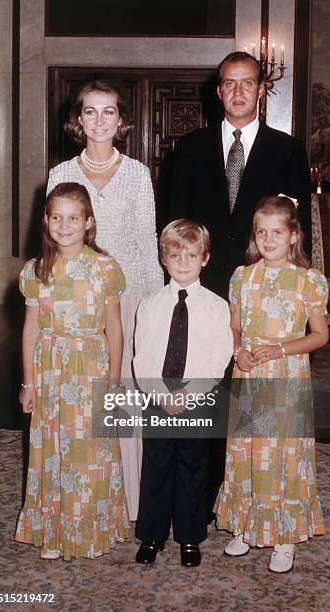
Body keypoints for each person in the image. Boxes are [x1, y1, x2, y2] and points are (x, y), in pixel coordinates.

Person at [170, 50, 312, 518]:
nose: (237, 91)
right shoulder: (188, 149)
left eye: (247, 83)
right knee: (207, 388)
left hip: (263, 293)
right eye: (229, 83)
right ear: (218, 91)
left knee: (253, 395)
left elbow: (297, 226)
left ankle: (258, 493)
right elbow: (174, 223)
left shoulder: (287, 150)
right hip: (205, 286)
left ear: (261, 90)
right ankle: (204, 496)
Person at [47, 77, 164, 521]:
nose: (99, 120)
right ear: (78, 120)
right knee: (78, 396)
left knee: (121, 393)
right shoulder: (61, 174)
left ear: (122, 120)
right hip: (77, 299)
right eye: (90, 111)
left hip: (129, 293)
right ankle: (80, 494)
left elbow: (146, 240)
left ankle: (125, 499)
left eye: (108, 111)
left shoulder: (136, 173)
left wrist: (153, 305)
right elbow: (55, 241)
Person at [15, 182, 130, 560]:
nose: (64, 225)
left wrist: (113, 382)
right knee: (53, 449)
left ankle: (91, 527)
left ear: (88, 223)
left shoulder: (105, 268)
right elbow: (30, 329)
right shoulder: (36, 271)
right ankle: (53, 529)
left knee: (89, 448)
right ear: (46, 221)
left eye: (73, 218)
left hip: (91, 367)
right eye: (57, 218)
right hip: (50, 369)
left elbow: (114, 328)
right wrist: (28, 381)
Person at [215, 195, 328, 573]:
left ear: (293, 235)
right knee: (247, 450)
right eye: (261, 231)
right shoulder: (242, 278)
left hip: (286, 375)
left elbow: (320, 336)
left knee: (282, 454)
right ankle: (246, 526)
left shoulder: (309, 281)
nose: (268, 238)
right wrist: (237, 352)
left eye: (277, 231)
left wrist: (279, 349)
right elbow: (234, 327)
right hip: (248, 376)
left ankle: (284, 536)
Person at [133, 219, 233, 567]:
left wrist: (190, 394)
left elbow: (219, 357)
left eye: (192, 255)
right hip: (158, 396)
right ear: (164, 259)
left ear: (205, 258)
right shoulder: (151, 304)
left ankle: (190, 537)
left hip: (198, 397)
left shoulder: (218, 307)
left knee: (193, 466)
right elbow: (142, 355)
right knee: (157, 465)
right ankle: (152, 535)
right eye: (176, 255)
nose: (184, 262)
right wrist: (160, 394)